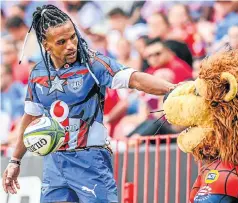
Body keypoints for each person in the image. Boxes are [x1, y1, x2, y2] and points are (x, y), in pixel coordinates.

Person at [2, 5, 175, 203]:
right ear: (45, 44)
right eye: (61, 41)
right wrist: (15, 160)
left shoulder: (93, 64)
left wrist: (172, 88)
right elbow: (30, 116)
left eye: (73, 36)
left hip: (91, 162)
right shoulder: (38, 74)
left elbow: (134, 79)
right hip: (54, 164)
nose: (71, 45)